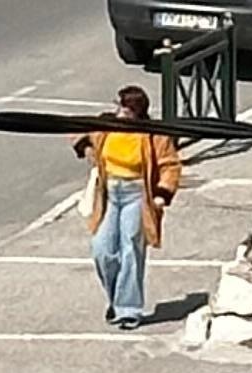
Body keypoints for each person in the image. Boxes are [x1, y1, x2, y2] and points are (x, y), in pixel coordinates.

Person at [74, 83, 181, 327]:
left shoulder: (153, 133)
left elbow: (170, 165)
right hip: (109, 193)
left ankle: (129, 309)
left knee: (131, 247)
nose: (119, 111)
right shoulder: (106, 125)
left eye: (124, 108)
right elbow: (76, 131)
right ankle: (115, 299)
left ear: (136, 112)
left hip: (137, 195)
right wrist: (86, 147)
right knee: (102, 248)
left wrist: (162, 193)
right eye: (118, 105)